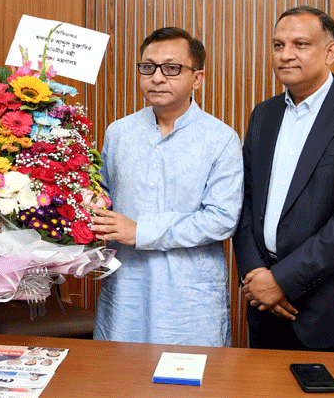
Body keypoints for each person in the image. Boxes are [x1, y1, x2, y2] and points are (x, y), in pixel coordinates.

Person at [234, 6, 334, 353]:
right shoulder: (264, 114)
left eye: (300, 44)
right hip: (264, 305)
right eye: (278, 45)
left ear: (331, 51)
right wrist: (256, 278)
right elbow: (245, 200)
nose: (286, 55)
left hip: (331, 311)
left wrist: (282, 280)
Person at [91, 27, 243, 347]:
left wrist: (140, 230)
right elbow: (101, 197)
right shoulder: (119, 133)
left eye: (172, 68)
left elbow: (221, 219)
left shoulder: (221, 139)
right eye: (148, 67)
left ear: (197, 78)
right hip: (127, 287)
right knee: (120, 379)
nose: (157, 77)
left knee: (191, 385)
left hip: (189, 298)